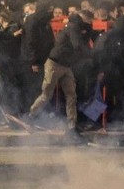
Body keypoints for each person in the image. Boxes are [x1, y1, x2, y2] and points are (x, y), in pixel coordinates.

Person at [25, 9, 94, 144]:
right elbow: (77, 45)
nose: (90, 24)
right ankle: (31, 115)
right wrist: (92, 55)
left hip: (66, 65)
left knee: (71, 95)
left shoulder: (77, 27)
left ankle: (71, 126)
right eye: (89, 22)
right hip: (55, 64)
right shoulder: (73, 27)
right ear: (84, 19)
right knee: (46, 94)